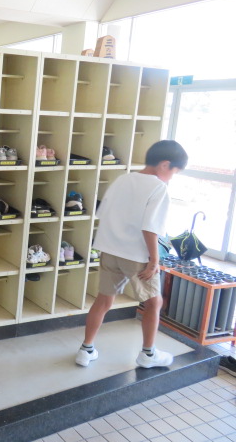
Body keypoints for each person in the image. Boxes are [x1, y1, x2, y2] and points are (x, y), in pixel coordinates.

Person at [75, 140, 188, 369]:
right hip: (136, 255)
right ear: (165, 165)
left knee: (103, 299)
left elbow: (103, 213)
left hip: (109, 249)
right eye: (175, 172)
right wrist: (154, 260)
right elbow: (150, 227)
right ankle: (148, 354)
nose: (172, 177)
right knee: (154, 302)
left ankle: (86, 350)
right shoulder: (158, 188)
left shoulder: (123, 179)